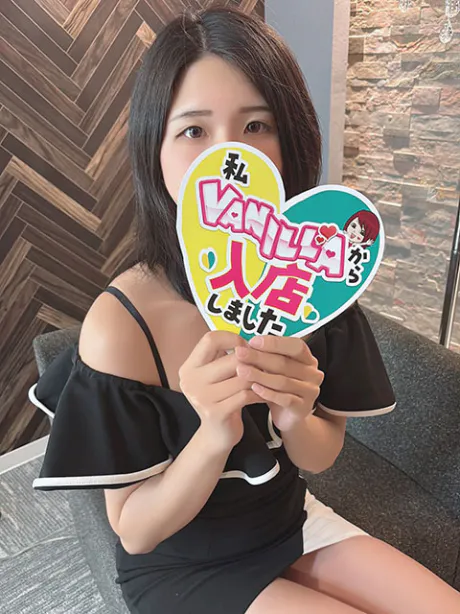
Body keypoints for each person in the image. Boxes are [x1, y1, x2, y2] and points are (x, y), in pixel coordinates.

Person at [29, 7, 460, 614]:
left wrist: (294, 413)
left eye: (256, 125)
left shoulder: (312, 280)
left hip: (290, 520)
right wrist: (214, 433)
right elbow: (136, 531)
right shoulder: (121, 324)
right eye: (193, 131)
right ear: (155, 151)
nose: (229, 157)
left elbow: (320, 456)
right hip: (181, 564)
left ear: (291, 139)